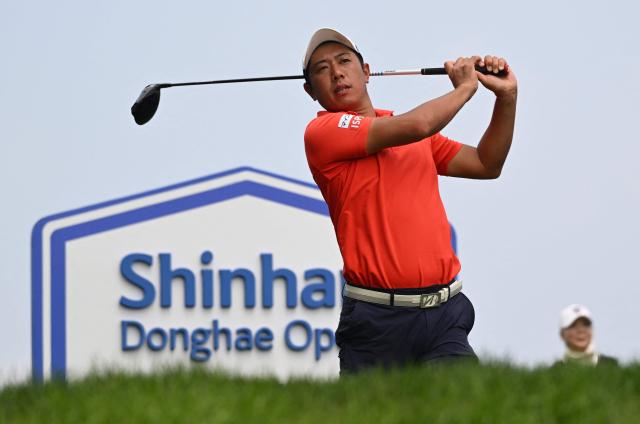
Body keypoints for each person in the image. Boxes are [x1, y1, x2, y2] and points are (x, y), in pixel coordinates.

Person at [302, 28, 517, 373]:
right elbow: (418, 124)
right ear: (310, 91)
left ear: (367, 71)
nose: (337, 73)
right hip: (376, 322)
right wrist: (464, 89)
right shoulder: (322, 133)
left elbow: (486, 163)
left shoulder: (414, 136)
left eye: (344, 61)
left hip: (445, 314)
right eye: (322, 69)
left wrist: (507, 98)